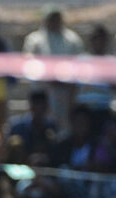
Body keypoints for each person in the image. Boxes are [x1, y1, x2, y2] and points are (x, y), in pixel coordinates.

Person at [23, 5, 83, 133]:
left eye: (57, 18)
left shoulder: (72, 40)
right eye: (51, 18)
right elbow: (30, 65)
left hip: (66, 93)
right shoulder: (35, 40)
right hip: (43, 93)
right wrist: (48, 77)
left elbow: (79, 66)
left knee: (65, 128)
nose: (54, 21)